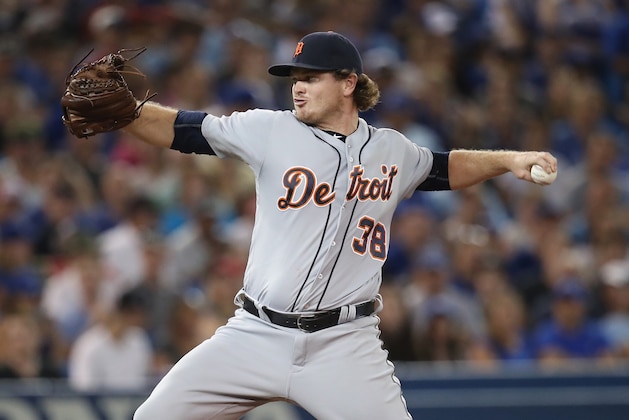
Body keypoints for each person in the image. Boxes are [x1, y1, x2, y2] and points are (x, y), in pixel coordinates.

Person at [83, 31, 556, 419]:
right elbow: (185, 129)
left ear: (348, 83)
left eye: (311, 77)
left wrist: (509, 159)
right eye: (295, 77)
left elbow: (444, 166)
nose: (298, 86)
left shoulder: (391, 150)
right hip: (255, 333)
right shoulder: (270, 130)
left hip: (344, 344)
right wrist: (127, 113)